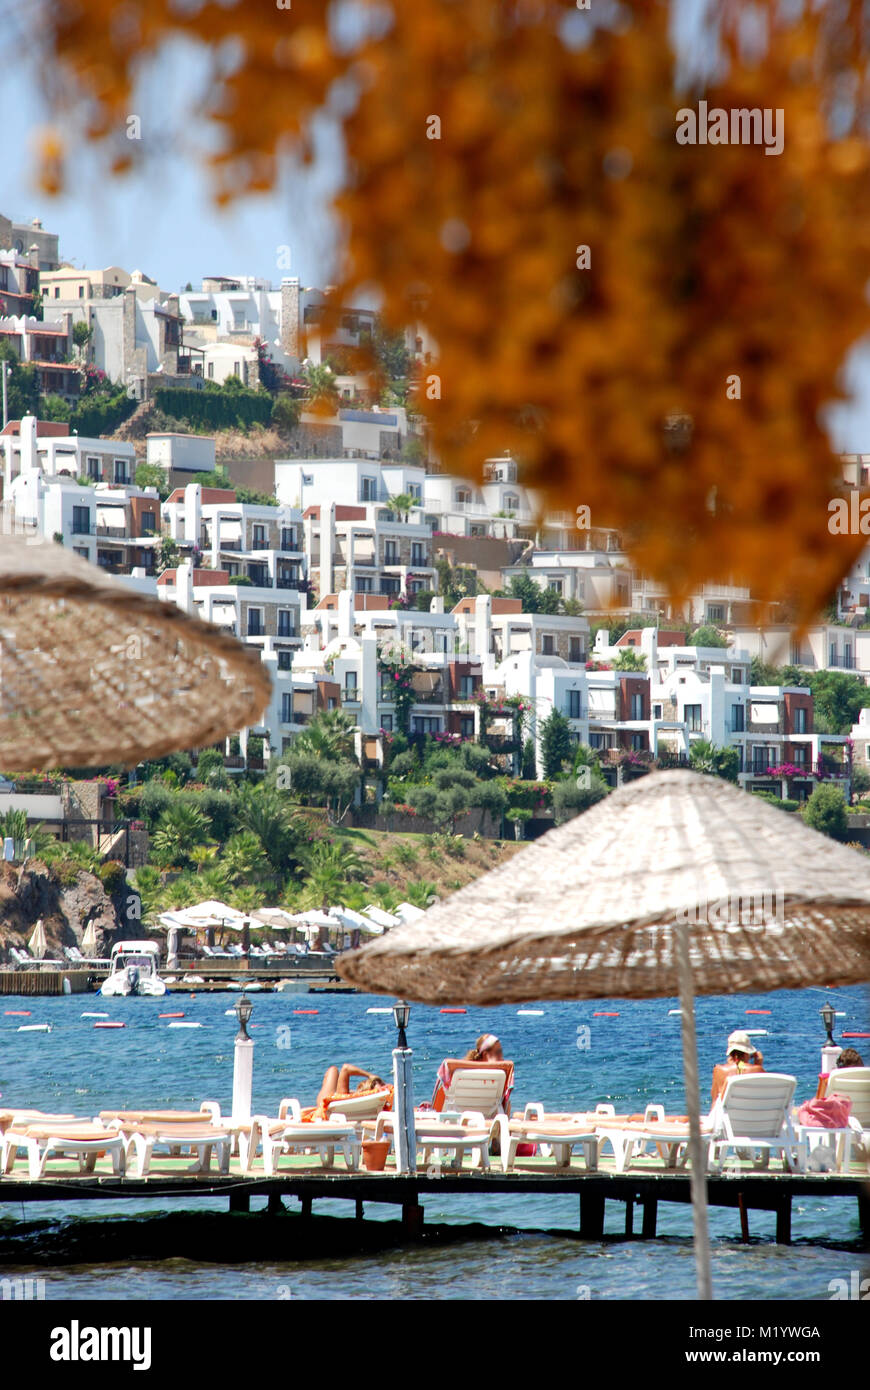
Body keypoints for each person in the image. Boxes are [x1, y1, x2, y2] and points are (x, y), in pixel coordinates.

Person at [431, 1034, 513, 1114]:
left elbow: (448, 1063)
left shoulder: (462, 1073)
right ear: (485, 1054)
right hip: (488, 1118)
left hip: (458, 1116)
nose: (502, 1056)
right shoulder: (500, 1075)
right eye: (498, 1052)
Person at [711, 1030, 765, 1104]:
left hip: (726, 1114)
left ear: (730, 1053)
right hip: (752, 1112)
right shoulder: (757, 1069)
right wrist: (758, 1064)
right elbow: (761, 1093)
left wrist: (730, 1064)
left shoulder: (718, 1070)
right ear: (747, 1053)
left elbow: (714, 1099)